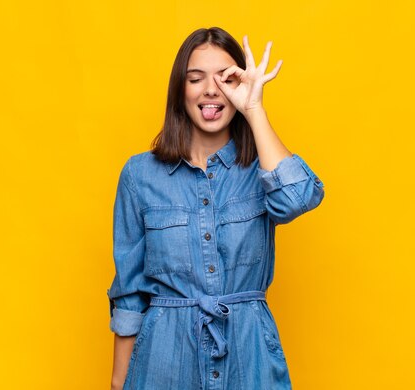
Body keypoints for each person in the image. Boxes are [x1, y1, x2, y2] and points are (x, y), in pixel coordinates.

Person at [107, 27, 325, 390]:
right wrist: (118, 382)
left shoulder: (262, 167)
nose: (210, 89)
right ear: (181, 90)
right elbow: (129, 293)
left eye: (224, 79)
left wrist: (254, 110)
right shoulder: (139, 174)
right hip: (164, 360)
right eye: (196, 79)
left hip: (249, 355)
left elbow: (298, 198)